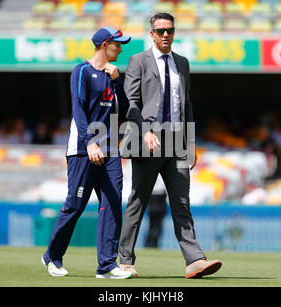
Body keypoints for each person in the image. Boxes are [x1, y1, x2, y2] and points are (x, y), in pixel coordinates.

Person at [118, 13, 222, 279]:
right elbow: (131, 103)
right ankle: (125, 261)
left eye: (170, 30)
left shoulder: (183, 63)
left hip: (176, 140)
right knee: (138, 201)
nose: (166, 35)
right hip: (148, 141)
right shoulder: (137, 61)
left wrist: (190, 141)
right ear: (151, 34)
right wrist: (144, 132)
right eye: (161, 31)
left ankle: (194, 260)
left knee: (182, 201)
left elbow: (186, 105)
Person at [41, 27, 133, 279]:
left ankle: (106, 265)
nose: (121, 49)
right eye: (117, 44)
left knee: (113, 204)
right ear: (105, 45)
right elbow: (78, 109)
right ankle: (52, 256)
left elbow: (124, 110)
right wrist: (90, 142)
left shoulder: (113, 74)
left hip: (111, 149)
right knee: (76, 204)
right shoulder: (81, 71)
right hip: (83, 149)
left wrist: (118, 81)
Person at [144, 176, 167, 248]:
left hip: (155, 195)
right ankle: (151, 244)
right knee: (156, 225)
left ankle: (150, 244)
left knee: (154, 225)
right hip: (156, 196)